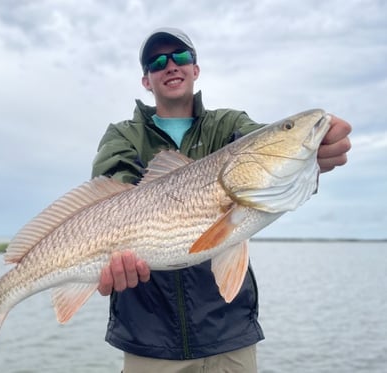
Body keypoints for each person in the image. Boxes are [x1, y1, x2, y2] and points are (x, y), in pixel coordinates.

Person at [91, 27, 352, 373]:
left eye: (181, 57)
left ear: (195, 70)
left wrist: (314, 158)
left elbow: (266, 155)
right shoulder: (124, 135)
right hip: (149, 339)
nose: (171, 65)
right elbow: (111, 193)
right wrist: (111, 252)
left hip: (230, 335)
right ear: (146, 80)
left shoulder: (229, 125)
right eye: (157, 62)